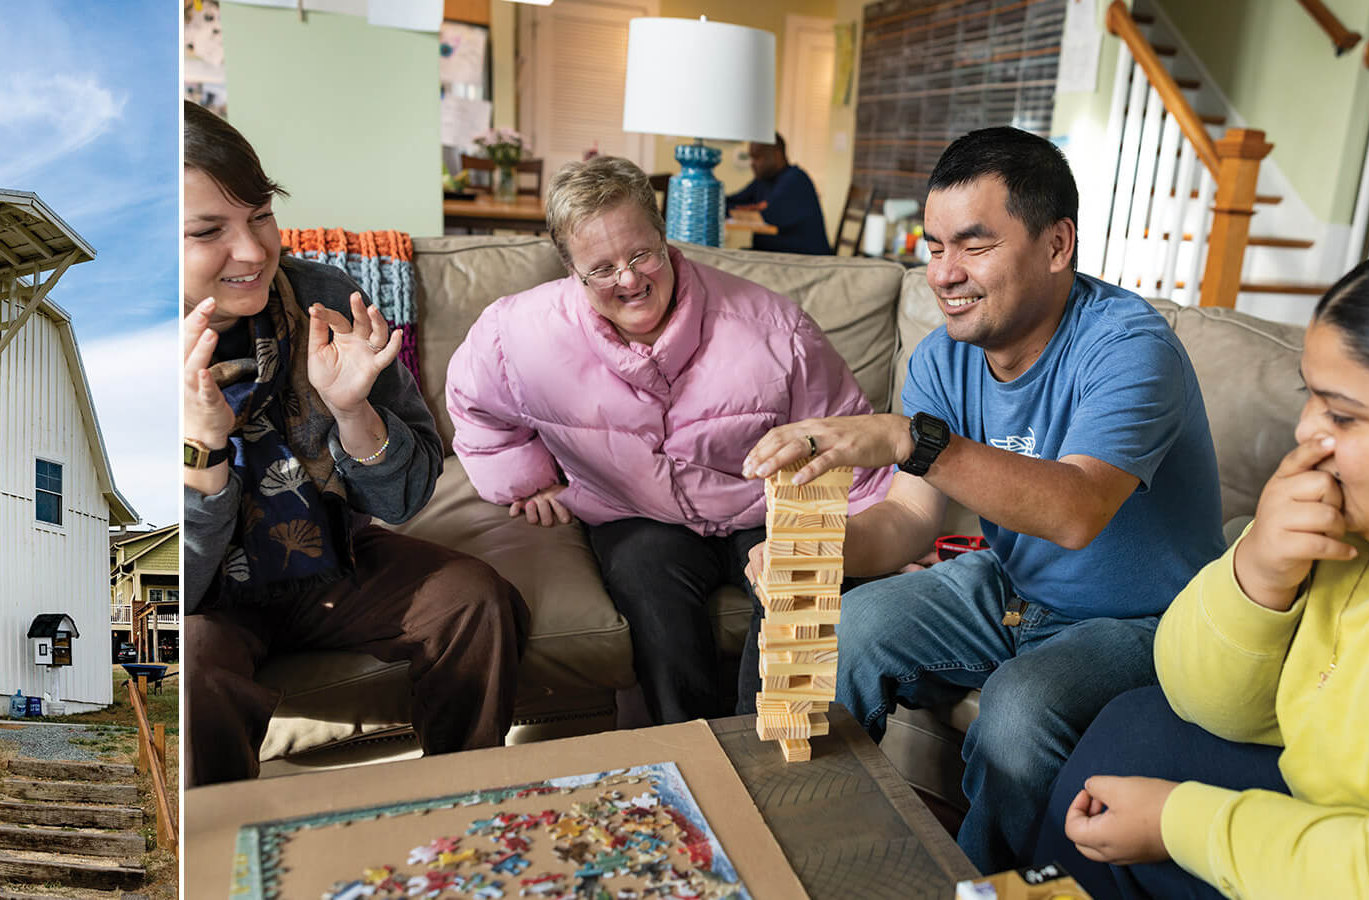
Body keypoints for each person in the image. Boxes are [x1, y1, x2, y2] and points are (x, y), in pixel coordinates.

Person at [742, 126, 1224, 872]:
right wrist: (811, 554)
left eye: (973, 245)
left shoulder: (1130, 346)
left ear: (1057, 244)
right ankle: (811, 857)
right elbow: (907, 519)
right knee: (851, 629)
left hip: (1141, 616)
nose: (944, 274)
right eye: (933, 247)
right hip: (1011, 590)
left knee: (1020, 711)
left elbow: (1076, 511)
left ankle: (983, 885)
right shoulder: (942, 357)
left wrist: (913, 439)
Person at [1030, 236, 1369, 899]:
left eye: (1343, 414)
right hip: (1334, 796)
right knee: (1134, 726)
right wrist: (1259, 573)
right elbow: (1197, 698)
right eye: (1309, 397)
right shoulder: (1359, 525)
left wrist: (1180, 823)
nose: (1305, 432)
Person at [445, 155, 892, 726]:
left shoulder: (778, 329)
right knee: (652, 600)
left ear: (664, 237)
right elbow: (473, 403)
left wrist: (875, 531)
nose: (629, 280)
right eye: (601, 269)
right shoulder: (517, 334)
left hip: (764, 507)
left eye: (640, 254)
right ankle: (687, 753)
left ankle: (763, 755)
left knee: (798, 602)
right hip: (635, 511)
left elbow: (844, 438)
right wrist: (528, 479)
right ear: (569, 269)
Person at [182, 100, 528, 786]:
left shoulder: (325, 298)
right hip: (210, 594)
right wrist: (205, 452)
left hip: (332, 556)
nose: (252, 251)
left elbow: (404, 498)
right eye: (206, 231)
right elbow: (174, 586)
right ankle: (215, 859)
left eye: (260, 217)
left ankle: (461, 808)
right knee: (187, 669)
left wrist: (352, 411)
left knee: (475, 599)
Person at [724, 133, 832, 256]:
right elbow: (735, 201)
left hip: (803, 260)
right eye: (751, 158)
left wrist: (745, 209)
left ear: (777, 155)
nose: (752, 163)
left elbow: (766, 215)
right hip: (773, 254)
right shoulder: (764, 180)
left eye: (757, 158)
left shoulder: (796, 180)